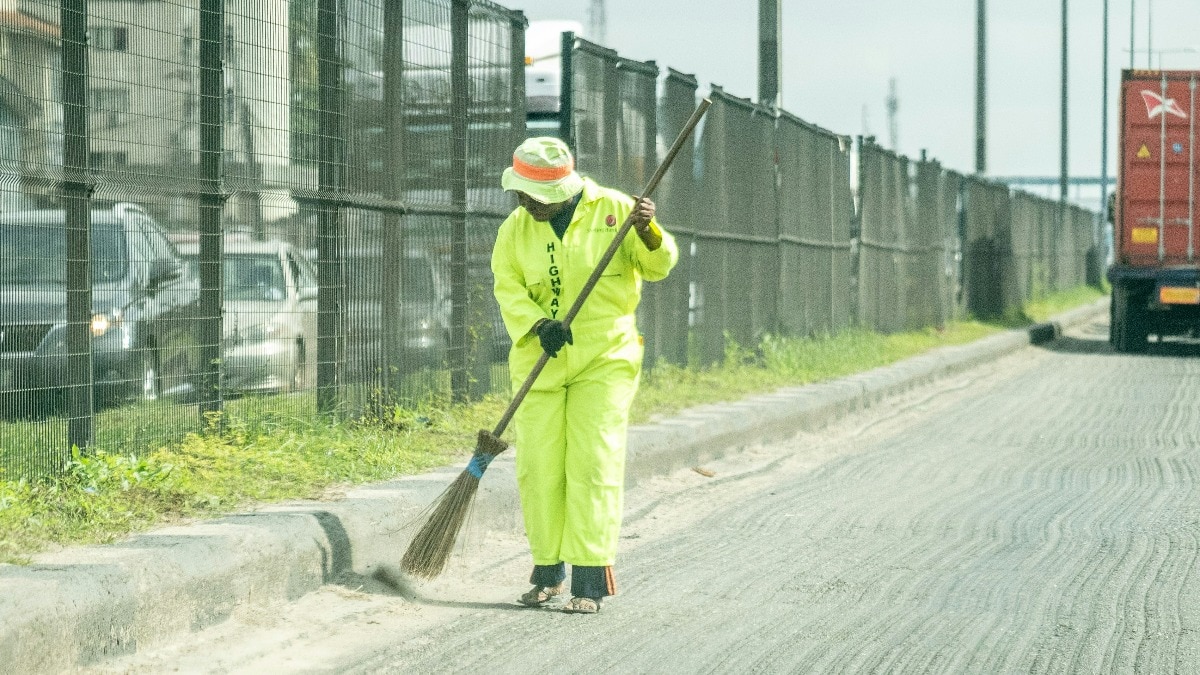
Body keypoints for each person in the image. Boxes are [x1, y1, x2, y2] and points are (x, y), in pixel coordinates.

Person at [491, 136, 678, 614]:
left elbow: (659, 266)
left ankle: (590, 577)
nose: (525, 203)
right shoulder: (515, 229)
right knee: (540, 467)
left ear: (559, 191)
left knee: (593, 461)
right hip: (541, 358)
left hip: (605, 358)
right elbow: (507, 285)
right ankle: (547, 571)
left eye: (532, 196)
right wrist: (537, 324)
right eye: (520, 194)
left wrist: (649, 229)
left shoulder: (617, 210)